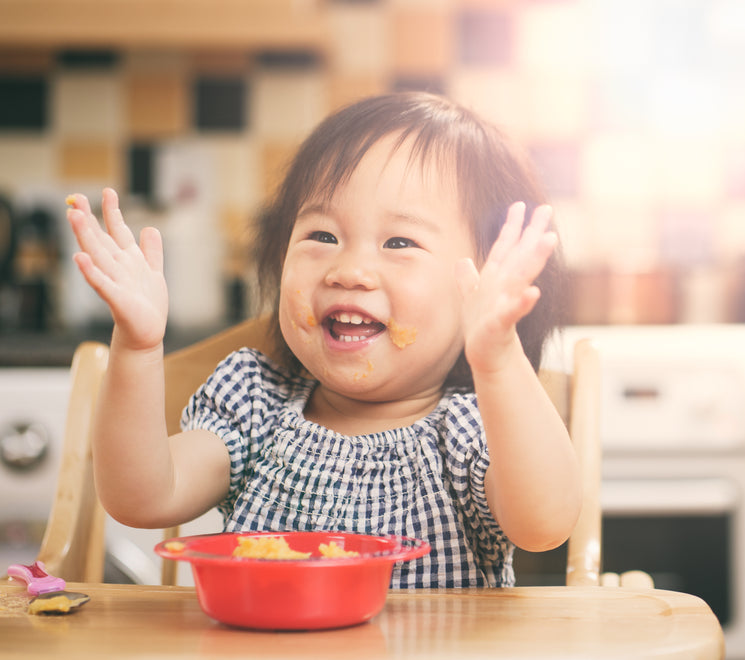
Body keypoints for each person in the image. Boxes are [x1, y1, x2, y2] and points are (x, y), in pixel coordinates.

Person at [66, 91, 580, 588]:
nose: (349, 270)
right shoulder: (256, 403)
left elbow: (544, 525)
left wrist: (498, 358)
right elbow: (142, 499)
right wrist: (137, 347)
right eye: (322, 236)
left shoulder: (471, 430)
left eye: (399, 242)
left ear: (480, 284)